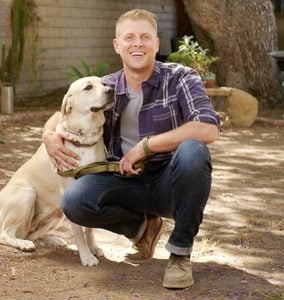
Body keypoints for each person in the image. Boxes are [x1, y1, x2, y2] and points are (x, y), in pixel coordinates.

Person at [42, 9, 220, 289]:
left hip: (169, 183)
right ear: (117, 45)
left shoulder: (181, 78)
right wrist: (48, 135)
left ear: (156, 44)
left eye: (145, 37)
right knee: (74, 201)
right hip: (124, 184)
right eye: (129, 37)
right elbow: (64, 110)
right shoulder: (107, 87)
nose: (137, 44)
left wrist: (145, 146)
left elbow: (208, 128)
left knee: (194, 152)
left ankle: (180, 254)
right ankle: (141, 227)